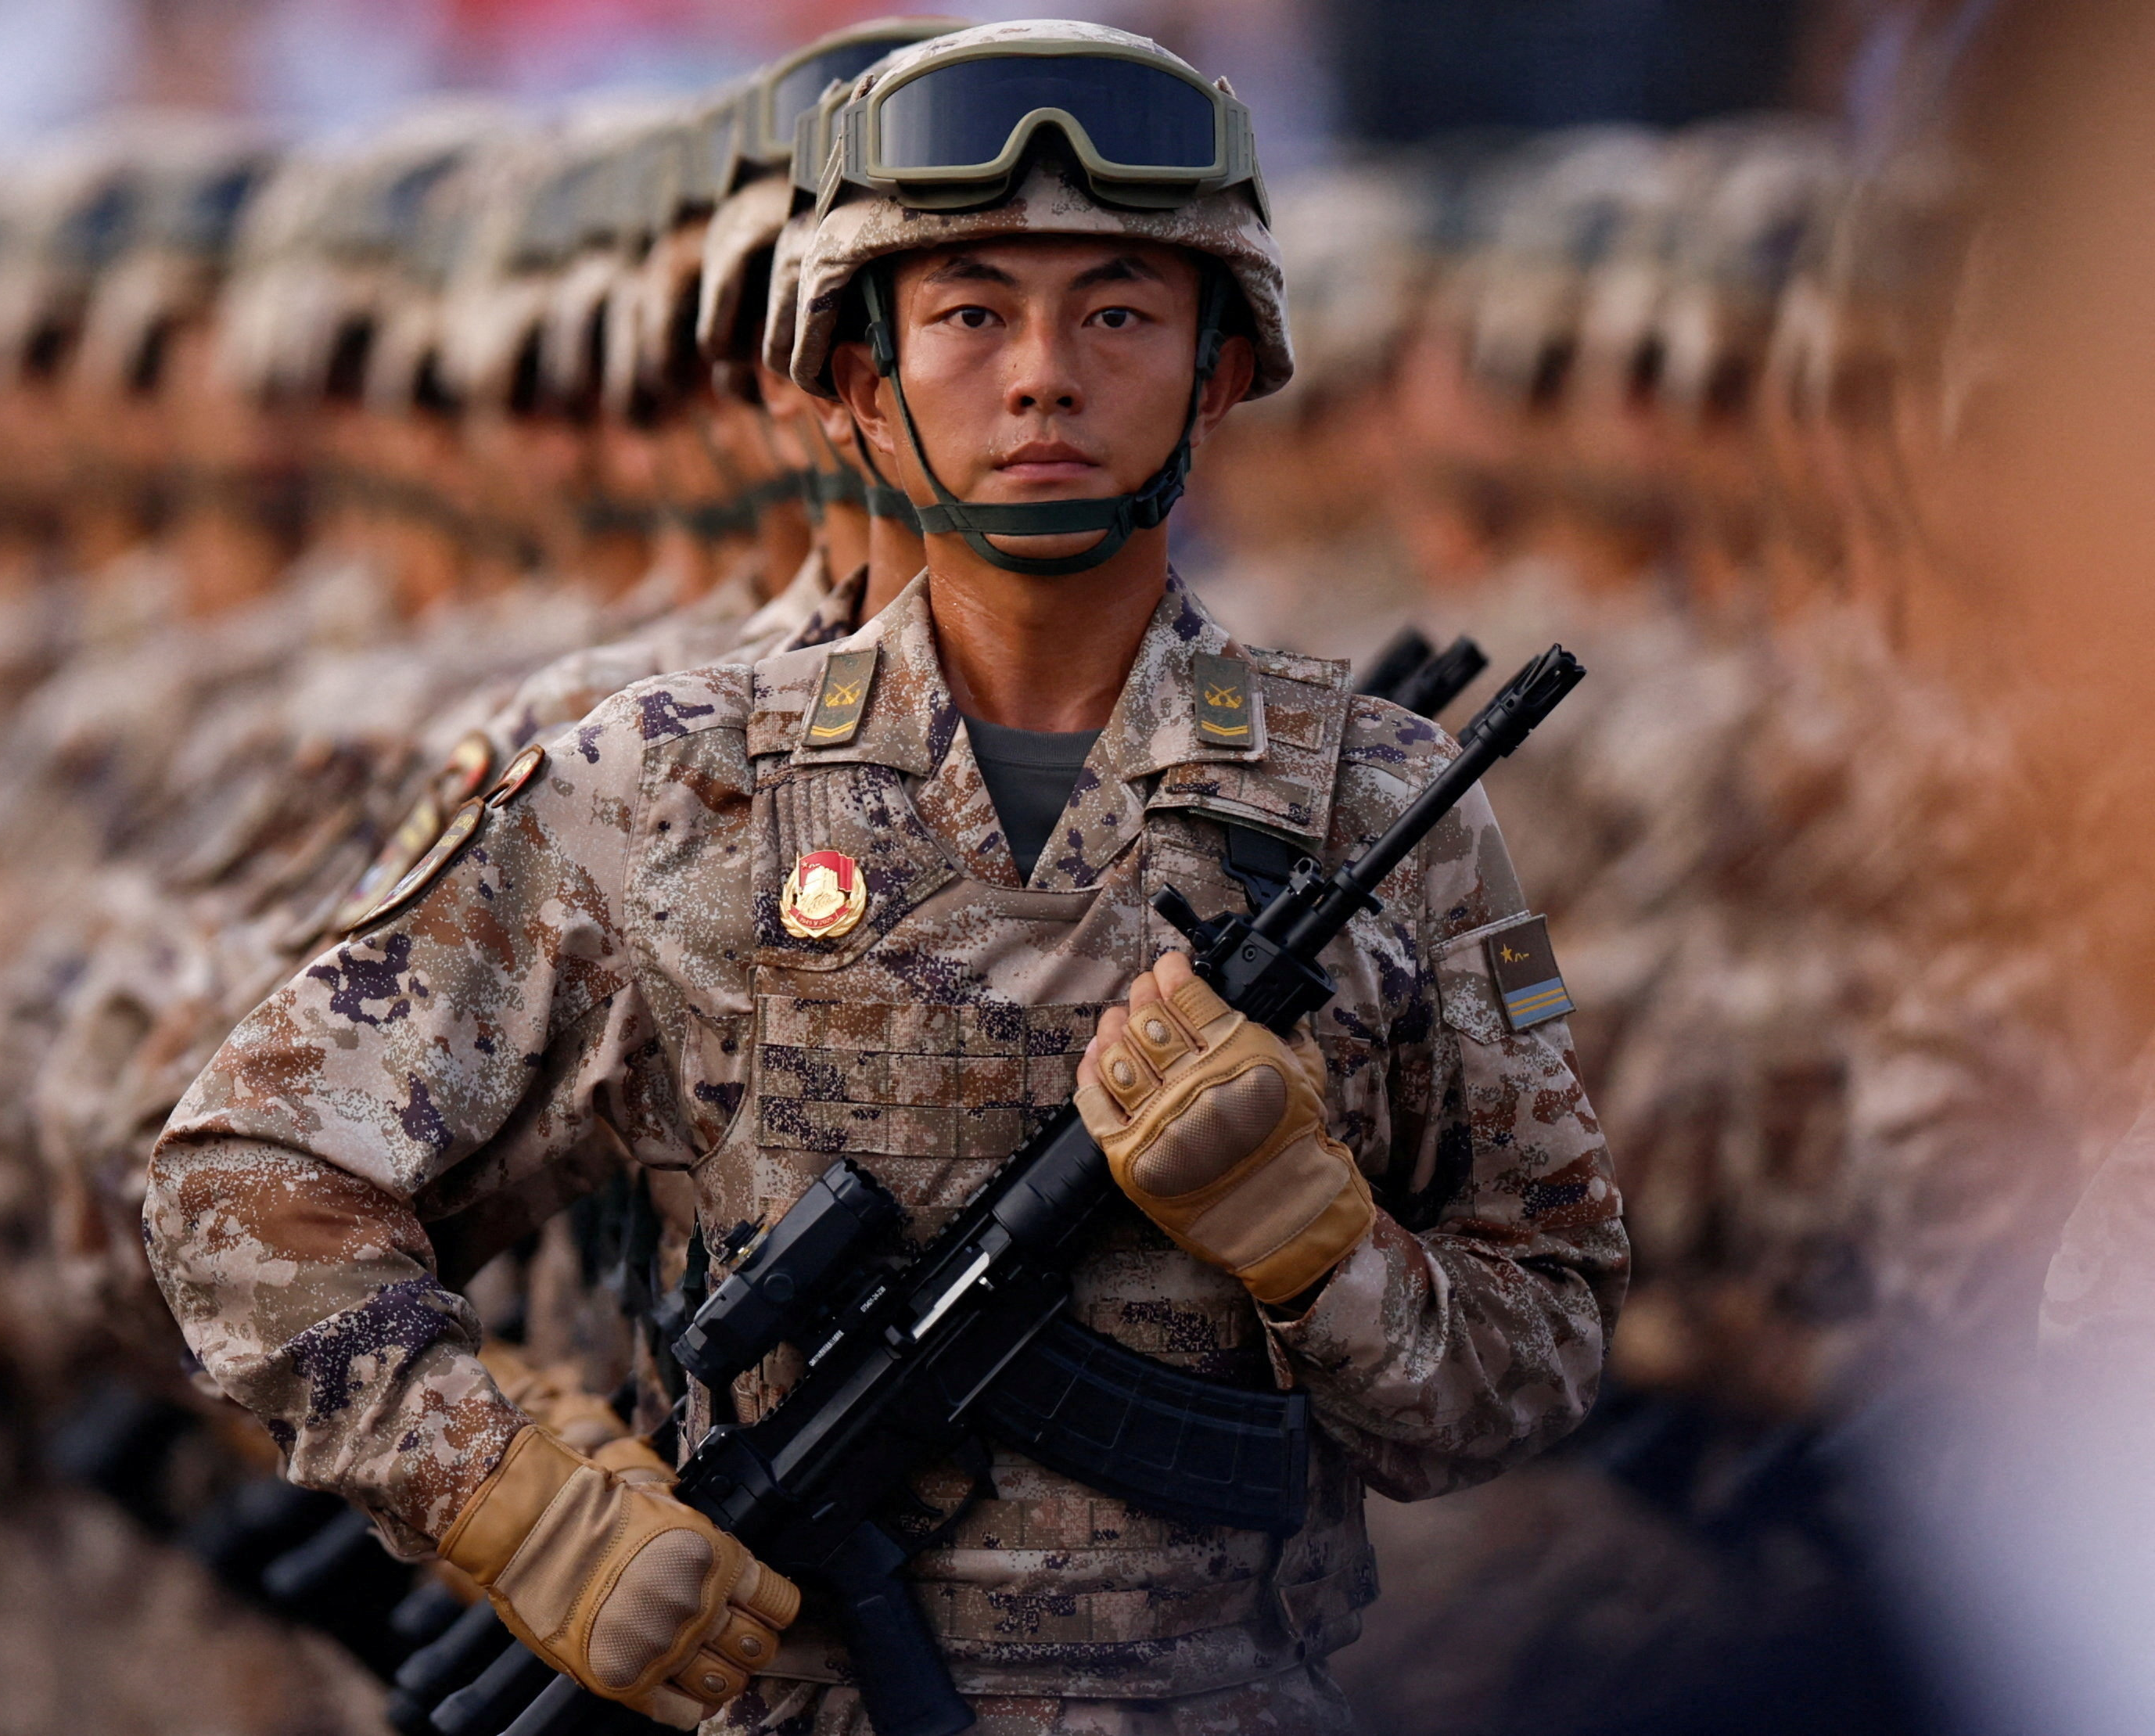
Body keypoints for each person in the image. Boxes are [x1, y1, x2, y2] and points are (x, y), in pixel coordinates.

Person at [145, 23, 1625, 1735]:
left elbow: (1543, 1361)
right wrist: (511, 1504)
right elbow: (243, 1180)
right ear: (857, 383)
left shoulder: (1382, 801)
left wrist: (1325, 1259)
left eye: (1122, 312)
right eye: (968, 314)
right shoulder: (668, 784)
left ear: (1222, 369)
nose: (1043, 378)